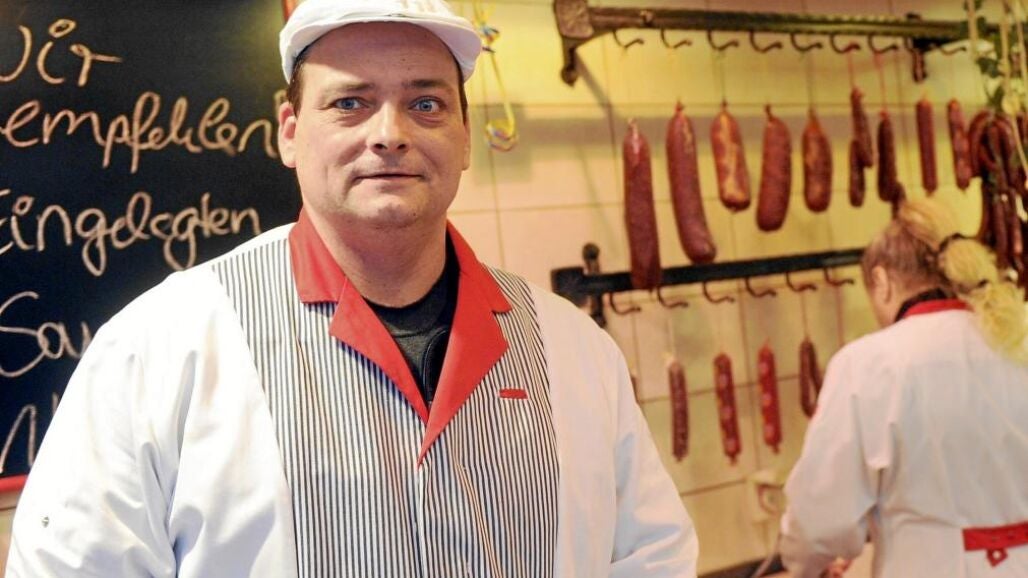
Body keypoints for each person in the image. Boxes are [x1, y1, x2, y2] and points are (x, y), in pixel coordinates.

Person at [4, 1, 698, 576]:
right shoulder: (161, 348)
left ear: (464, 138)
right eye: (349, 103)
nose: (389, 134)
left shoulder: (572, 348)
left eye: (425, 103)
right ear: (289, 133)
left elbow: (653, 557)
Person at [779, 198, 1028, 577]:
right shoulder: (1016, 340)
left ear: (881, 281)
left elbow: (821, 519)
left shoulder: (868, 364)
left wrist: (804, 565)